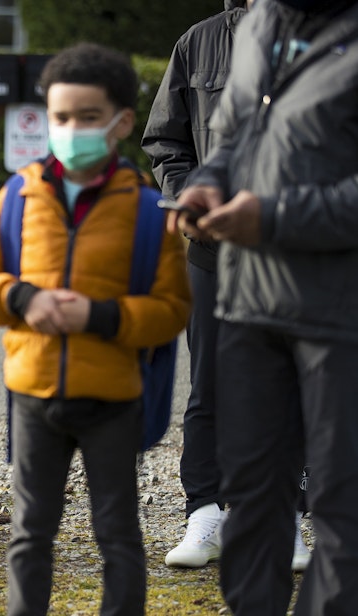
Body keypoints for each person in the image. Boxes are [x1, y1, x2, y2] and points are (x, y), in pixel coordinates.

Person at [0, 43, 191, 615]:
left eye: (88, 118)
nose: (72, 129)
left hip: (114, 397)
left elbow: (170, 309)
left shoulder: (147, 210)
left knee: (117, 531)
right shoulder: (18, 195)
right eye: (61, 117)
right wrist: (20, 298)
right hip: (34, 394)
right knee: (30, 530)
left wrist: (102, 316)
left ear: (121, 122)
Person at [173, 0, 358, 612]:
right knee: (252, 493)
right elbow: (234, 137)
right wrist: (210, 181)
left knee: (339, 502)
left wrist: (273, 217)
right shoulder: (257, 26)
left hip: (339, 313)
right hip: (248, 302)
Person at [141, 0, 311, 572]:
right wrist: (191, 197)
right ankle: (205, 509)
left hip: (302, 249)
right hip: (215, 251)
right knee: (210, 383)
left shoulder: (332, 37)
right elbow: (165, 139)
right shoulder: (199, 41)